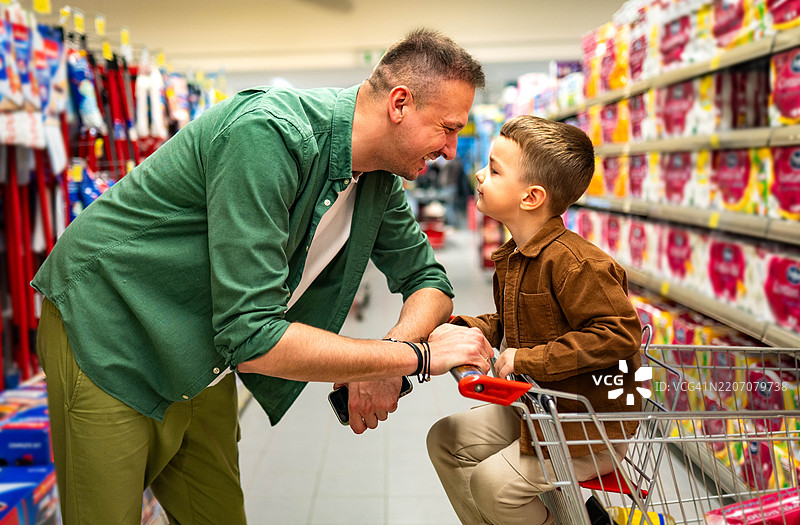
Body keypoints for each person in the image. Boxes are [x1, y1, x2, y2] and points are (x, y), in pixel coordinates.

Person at [32, 28, 494, 524]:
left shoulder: (378, 177)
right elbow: (253, 339)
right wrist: (415, 357)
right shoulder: (268, 135)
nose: (451, 150)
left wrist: (387, 361)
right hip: (108, 331)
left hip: (202, 349)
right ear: (399, 103)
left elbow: (429, 281)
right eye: (447, 128)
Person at [426, 115, 643, 525]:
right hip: (538, 411)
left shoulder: (578, 265)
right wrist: (466, 328)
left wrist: (528, 361)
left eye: (493, 169)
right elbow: (513, 322)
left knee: (493, 485)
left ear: (531, 197)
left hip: (587, 429)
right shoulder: (517, 255)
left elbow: (618, 334)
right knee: (446, 441)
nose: (478, 175)